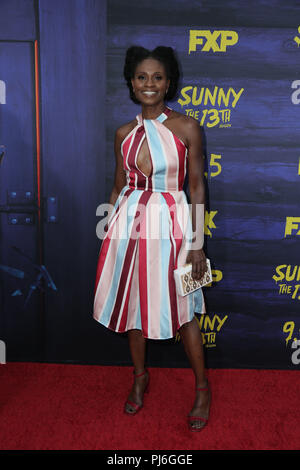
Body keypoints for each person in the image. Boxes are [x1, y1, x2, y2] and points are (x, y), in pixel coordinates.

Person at [93, 46, 211, 431]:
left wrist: (196, 243)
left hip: (174, 229)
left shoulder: (187, 127)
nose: (149, 84)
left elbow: (196, 187)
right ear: (131, 82)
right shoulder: (123, 133)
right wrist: (107, 232)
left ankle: (202, 388)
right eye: (142, 77)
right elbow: (116, 187)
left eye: (157, 77)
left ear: (168, 82)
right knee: (133, 306)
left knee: (186, 310)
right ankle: (140, 377)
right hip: (128, 228)